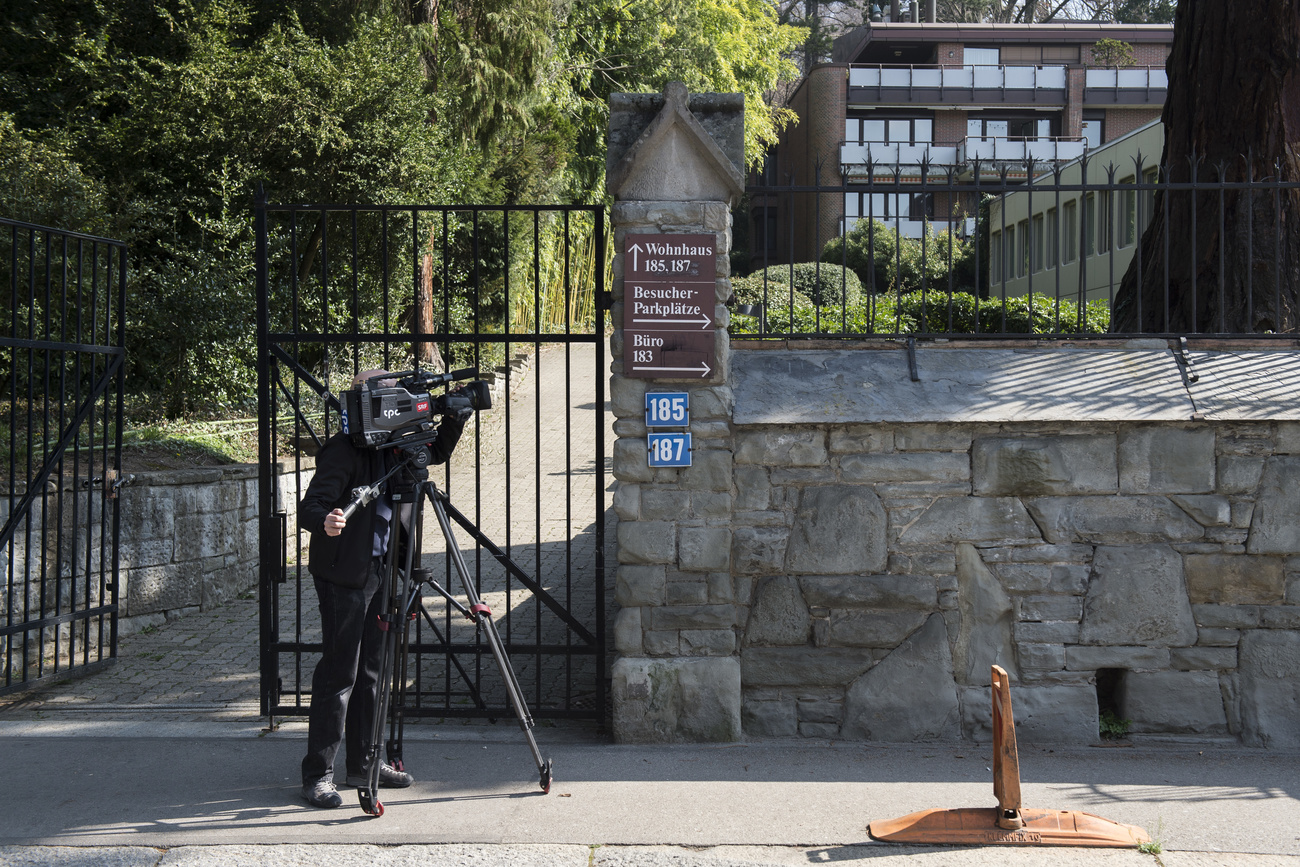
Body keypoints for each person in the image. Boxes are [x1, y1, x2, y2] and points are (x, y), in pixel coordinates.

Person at [297, 369, 466, 809]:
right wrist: (326, 520)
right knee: (341, 674)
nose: (398, 400)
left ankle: (365, 764)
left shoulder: (401, 442)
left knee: (374, 672)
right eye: (388, 394)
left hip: (389, 568)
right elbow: (311, 505)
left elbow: (435, 454)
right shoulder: (342, 448)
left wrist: (456, 417)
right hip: (346, 573)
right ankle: (318, 774)